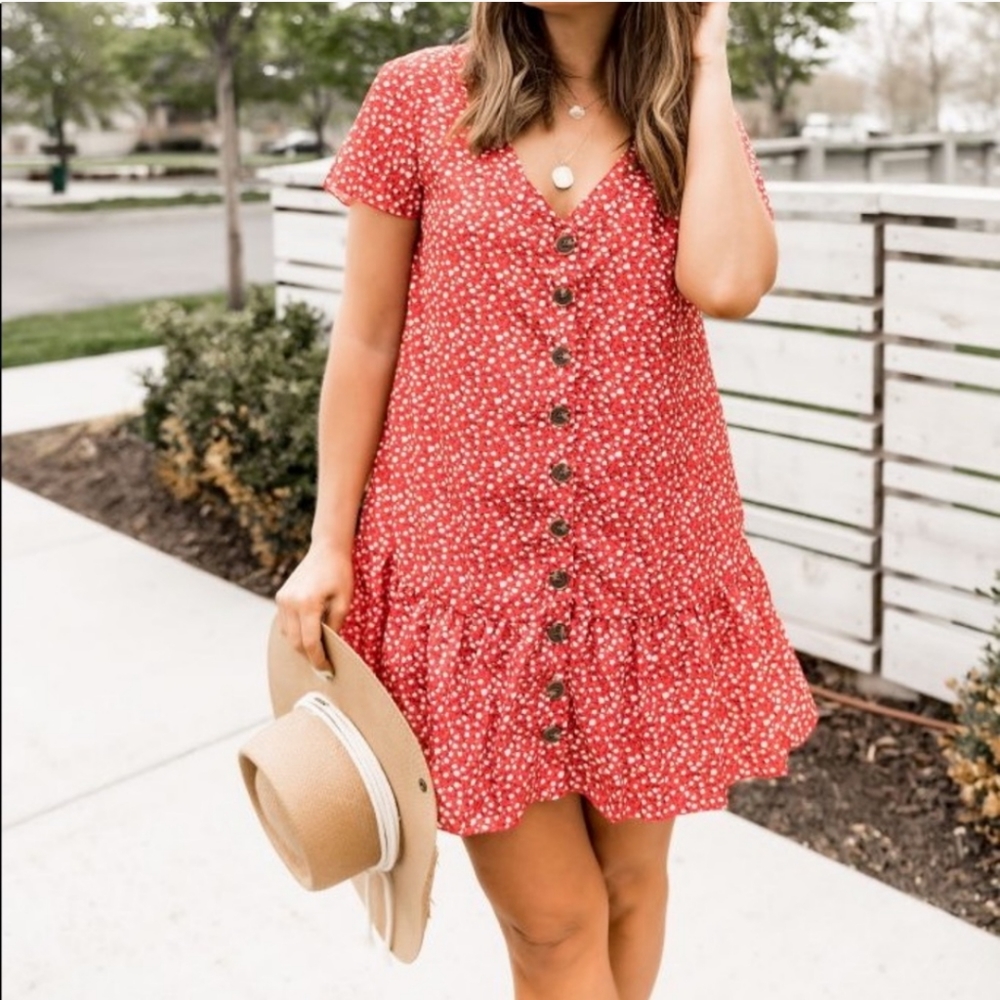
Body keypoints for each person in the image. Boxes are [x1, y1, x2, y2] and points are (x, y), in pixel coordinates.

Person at [276, 3, 819, 998]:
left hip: (645, 574)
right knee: (553, 923)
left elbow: (729, 282)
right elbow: (366, 335)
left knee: (630, 886)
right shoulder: (417, 95)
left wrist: (706, 58)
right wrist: (328, 542)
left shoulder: (686, 112)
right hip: (466, 576)